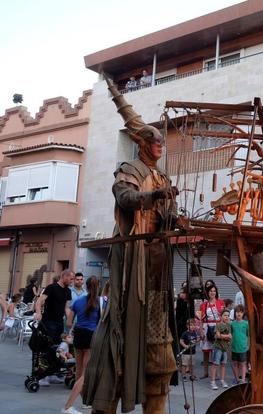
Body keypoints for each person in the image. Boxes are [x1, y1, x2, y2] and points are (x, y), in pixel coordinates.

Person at [83, 80, 184, 414]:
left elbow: (166, 214)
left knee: (159, 308)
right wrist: (150, 197)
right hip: (135, 254)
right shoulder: (130, 170)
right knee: (128, 309)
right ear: (143, 144)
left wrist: (174, 218)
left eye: (161, 143)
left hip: (158, 256)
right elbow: (125, 198)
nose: (160, 147)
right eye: (156, 143)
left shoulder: (163, 177)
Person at [62, 276, 101, 412]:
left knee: (79, 372)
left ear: (86, 286)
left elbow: (68, 322)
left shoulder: (78, 302)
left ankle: (85, 401)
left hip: (78, 335)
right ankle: (68, 406)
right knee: (86, 374)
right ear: (98, 287)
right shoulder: (100, 303)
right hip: (92, 337)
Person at [35, 269, 73, 343]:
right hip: (49, 321)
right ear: (64, 276)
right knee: (47, 344)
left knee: (57, 345)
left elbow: (66, 308)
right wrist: (38, 313)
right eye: (71, 279)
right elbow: (39, 301)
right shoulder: (51, 287)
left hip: (60, 322)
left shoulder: (68, 291)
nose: (72, 281)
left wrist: (69, 320)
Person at [200, 285, 225, 379]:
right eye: (210, 291)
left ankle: (216, 374)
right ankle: (205, 373)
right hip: (206, 327)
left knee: (217, 351)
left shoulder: (221, 303)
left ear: (216, 292)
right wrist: (201, 332)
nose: (212, 292)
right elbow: (201, 320)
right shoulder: (203, 305)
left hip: (217, 328)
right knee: (206, 352)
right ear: (207, 292)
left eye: (214, 291)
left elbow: (224, 317)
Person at [210, 309, 232, 390]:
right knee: (215, 364)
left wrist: (223, 336)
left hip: (225, 348)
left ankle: (222, 380)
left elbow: (230, 336)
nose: (226, 317)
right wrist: (225, 336)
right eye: (225, 315)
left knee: (223, 364)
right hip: (218, 347)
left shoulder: (229, 325)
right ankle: (212, 382)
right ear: (221, 316)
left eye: (228, 315)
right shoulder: (218, 325)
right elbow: (218, 336)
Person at [231, 305, 249, 384]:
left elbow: (248, 335)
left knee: (243, 363)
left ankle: (243, 379)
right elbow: (230, 334)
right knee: (235, 363)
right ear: (235, 313)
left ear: (243, 313)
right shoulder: (232, 324)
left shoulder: (246, 323)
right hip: (234, 347)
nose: (239, 314)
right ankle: (237, 378)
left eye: (241, 312)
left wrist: (248, 345)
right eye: (237, 312)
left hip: (243, 347)